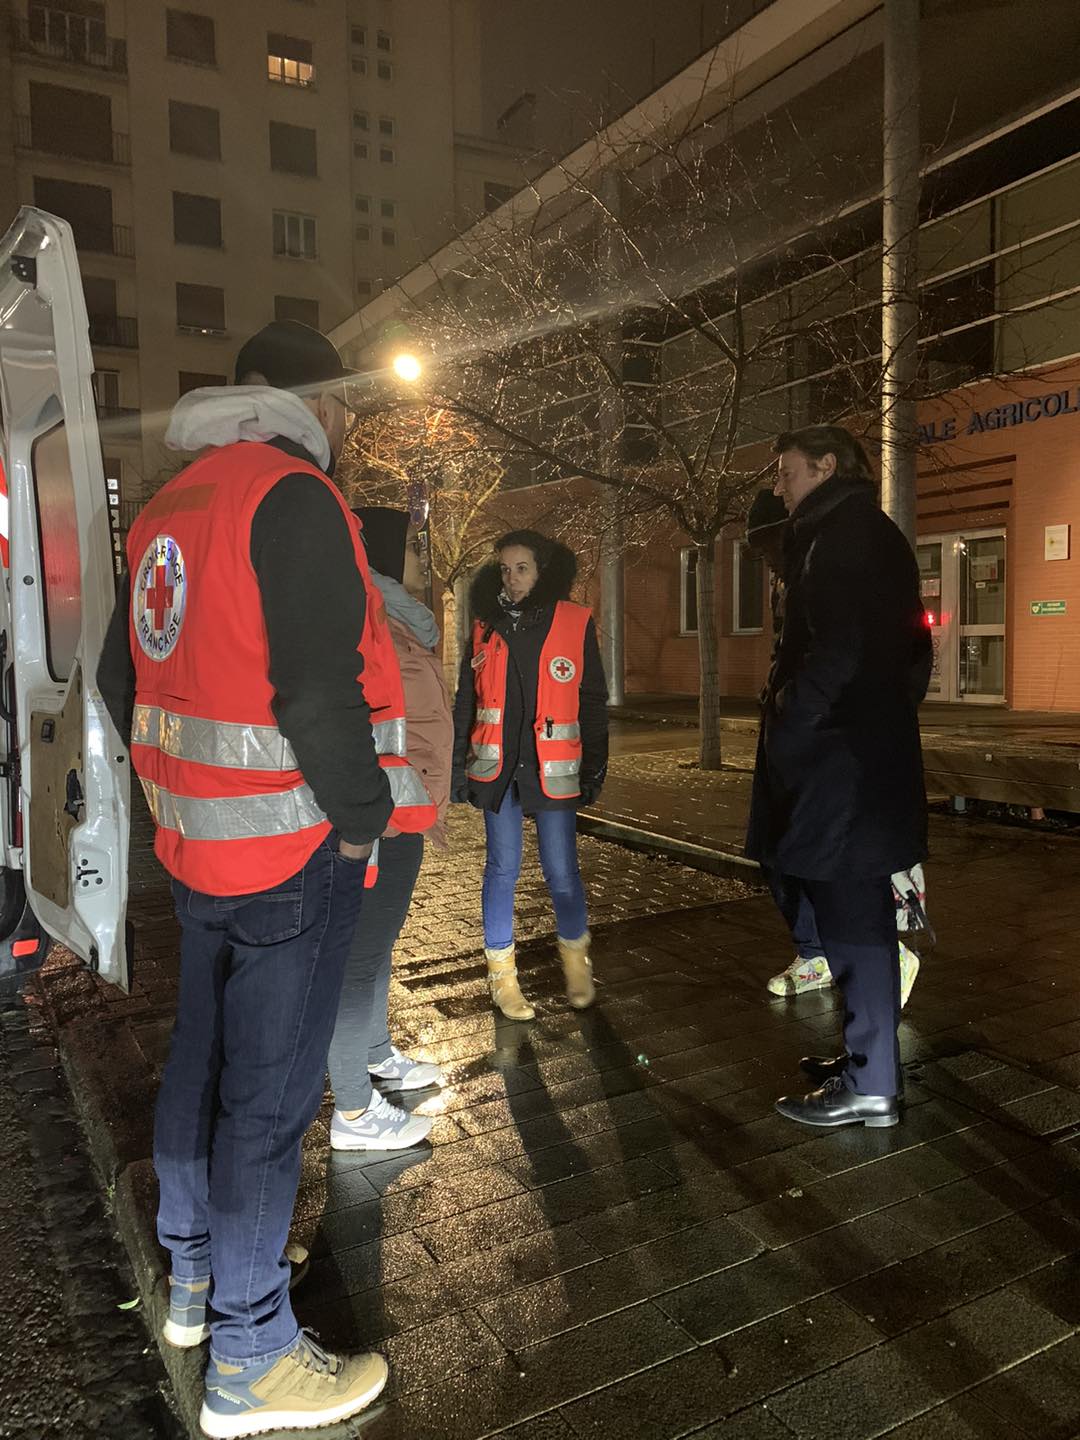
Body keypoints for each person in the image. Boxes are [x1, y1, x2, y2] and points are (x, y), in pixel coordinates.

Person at [96, 321, 393, 1437]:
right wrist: (360, 821)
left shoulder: (173, 506)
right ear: (321, 402)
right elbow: (320, 694)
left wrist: (175, 790)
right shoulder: (297, 499)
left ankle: (193, 1279)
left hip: (195, 849)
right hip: (287, 851)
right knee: (267, 1103)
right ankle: (254, 1355)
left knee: (200, 1061)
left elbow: (126, 677)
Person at [746, 425, 931, 1129]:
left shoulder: (844, 536)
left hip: (840, 764)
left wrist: (800, 716)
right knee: (849, 912)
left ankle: (873, 1083)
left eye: (787, 470)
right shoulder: (855, 532)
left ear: (825, 467)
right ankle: (866, 1061)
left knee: (855, 920)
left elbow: (844, 645)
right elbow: (914, 650)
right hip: (854, 755)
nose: (779, 483)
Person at [328, 507, 453, 1151]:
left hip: (404, 815)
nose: (422, 556)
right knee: (358, 959)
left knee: (377, 951)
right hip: (381, 819)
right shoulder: (370, 617)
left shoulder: (398, 618)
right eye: (412, 546)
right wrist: (404, 812)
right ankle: (352, 1110)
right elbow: (378, 728)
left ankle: (375, 1053)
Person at [451, 530, 608, 1019]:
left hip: (552, 772)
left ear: (543, 570)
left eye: (522, 568)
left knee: (562, 872)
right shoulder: (484, 625)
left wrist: (595, 765)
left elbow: (591, 699)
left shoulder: (574, 620)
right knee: (501, 870)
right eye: (505, 568)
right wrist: (460, 768)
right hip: (499, 771)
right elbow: (466, 701)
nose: (512, 578)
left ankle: (576, 962)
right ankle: (503, 978)